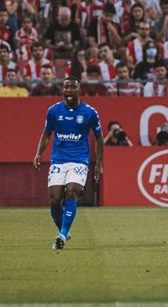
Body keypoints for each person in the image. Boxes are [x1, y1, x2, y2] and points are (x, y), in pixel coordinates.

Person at [33, 76, 103, 250]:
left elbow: (99, 138)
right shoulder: (54, 111)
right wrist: (38, 154)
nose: (69, 90)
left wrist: (99, 163)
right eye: (66, 87)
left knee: (71, 192)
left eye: (73, 86)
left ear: (79, 90)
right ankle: (63, 229)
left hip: (79, 160)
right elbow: (47, 134)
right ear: (62, 90)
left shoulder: (90, 112)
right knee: (55, 199)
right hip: (58, 159)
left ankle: (62, 235)